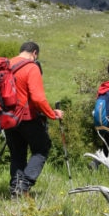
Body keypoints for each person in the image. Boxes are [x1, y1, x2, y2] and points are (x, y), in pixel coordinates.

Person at [6, 41, 64, 196]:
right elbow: (38, 98)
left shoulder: (6, 65)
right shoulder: (31, 67)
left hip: (7, 118)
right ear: (35, 53)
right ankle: (24, 186)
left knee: (17, 153)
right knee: (41, 148)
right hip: (27, 117)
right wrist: (52, 114)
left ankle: (16, 188)